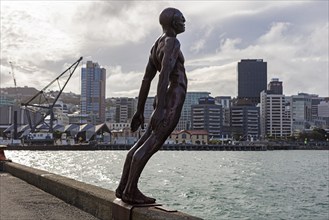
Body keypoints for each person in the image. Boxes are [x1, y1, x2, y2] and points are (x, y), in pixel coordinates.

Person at [115, 7, 187, 204]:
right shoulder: (172, 42)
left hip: (163, 98)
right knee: (151, 144)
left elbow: (146, 79)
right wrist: (163, 107)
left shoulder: (156, 45)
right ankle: (130, 191)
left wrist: (140, 111)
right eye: (181, 18)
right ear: (172, 22)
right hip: (172, 98)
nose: (184, 21)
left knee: (141, 143)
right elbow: (164, 73)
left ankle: (123, 187)